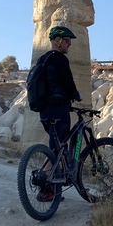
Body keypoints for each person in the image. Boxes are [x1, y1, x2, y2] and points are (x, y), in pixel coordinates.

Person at [36, 26, 82, 202]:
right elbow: (68, 82)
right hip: (58, 108)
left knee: (55, 145)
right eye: (67, 41)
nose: (69, 44)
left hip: (44, 110)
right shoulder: (60, 59)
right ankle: (45, 189)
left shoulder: (43, 59)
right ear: (58, 40)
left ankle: (52, 186)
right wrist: (75, 95)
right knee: (57, 148)